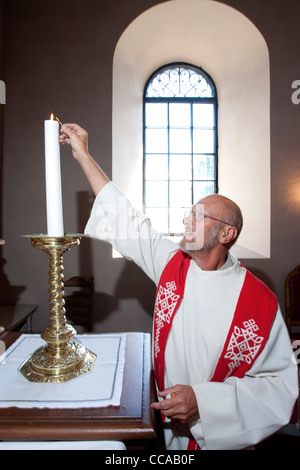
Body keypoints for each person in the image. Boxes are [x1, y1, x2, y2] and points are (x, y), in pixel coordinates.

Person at [60, 123, 298, 450]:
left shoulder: (258, 302)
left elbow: (279, 387)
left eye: (198, 217)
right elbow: (125, 218)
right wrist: (83, 154)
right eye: (188, 213)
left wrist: (203, 400)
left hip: (220, 435)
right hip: (167, 431)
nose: (187, 221)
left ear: (227, 234)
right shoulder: (172, 264)